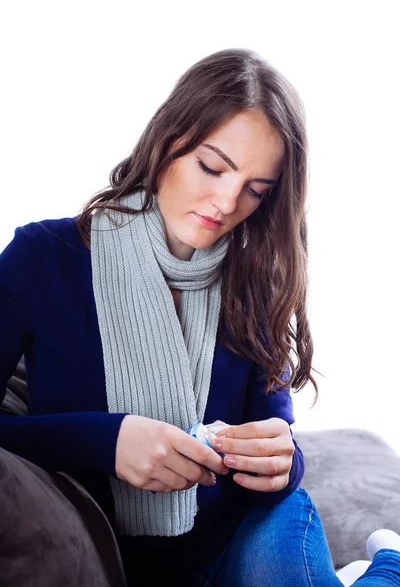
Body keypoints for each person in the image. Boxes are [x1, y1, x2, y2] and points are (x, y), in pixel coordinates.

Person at [1, 47, 400, 587]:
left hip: (245, 534)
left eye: (257, 191)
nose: (227, 202)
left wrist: (285, 462)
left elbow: (278, 438)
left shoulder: (253, 279)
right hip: (123, 552)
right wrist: (106, 440)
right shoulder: (42, 258)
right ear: (168, 141)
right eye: (212, 167)